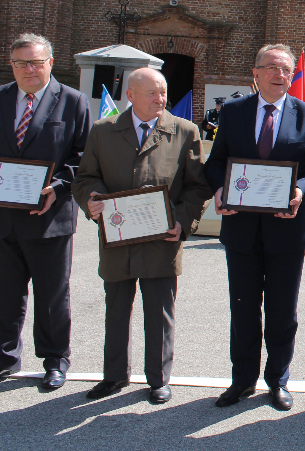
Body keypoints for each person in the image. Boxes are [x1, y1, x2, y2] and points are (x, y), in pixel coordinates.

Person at [204, 44, 305, 412]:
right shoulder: (233, 112)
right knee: (243, 308)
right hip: (241, 228)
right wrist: (218, 189)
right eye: (272, 68)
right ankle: (242, 380)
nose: (280, 75)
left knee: (282, 311)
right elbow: (216, 163)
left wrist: (300, 191)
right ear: (256, 73)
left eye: (286, 70)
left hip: (287, 229)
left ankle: (277, 380)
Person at [72, 68, 211, 403]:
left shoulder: (184, 131)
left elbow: (198, 186)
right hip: (118, 239)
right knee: (116, 309)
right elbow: (85, 178)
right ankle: (114, 376)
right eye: (152, 93)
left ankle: (159, 379)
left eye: (163, 92)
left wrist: (181, 221)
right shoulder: (103, 131)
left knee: (160, 311)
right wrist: (91, 201)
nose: (160, 99)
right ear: (130, 96)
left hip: (162, 241)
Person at [0, 34, 90, 392]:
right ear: (11, 65)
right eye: (20, 62)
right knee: (5, 293)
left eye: (36, 62)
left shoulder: (73, 102)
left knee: (52, 294)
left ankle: (56, 359)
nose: (28, 69)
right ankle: (3, 358)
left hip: (49, 217)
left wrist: (57, 188)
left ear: (50, 63)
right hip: (1, 215)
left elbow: (84, 157)